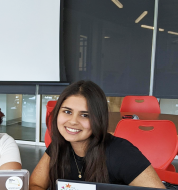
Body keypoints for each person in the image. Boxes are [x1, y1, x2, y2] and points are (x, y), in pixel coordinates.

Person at [29, 80, 165, 190]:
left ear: (98, 119)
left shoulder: (121, 152)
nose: (73, 121)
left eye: (85, 115)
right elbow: (36, 184)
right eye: (67, 112)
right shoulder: (59, 145)